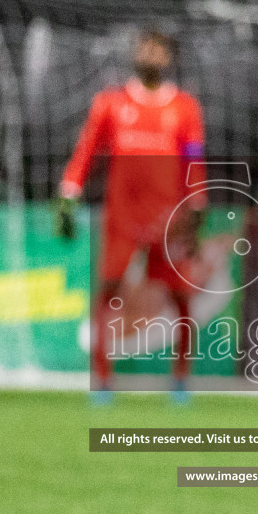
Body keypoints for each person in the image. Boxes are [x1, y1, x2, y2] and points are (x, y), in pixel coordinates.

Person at [55, 30, 205, 404]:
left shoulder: (184, 107)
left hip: (168, 217)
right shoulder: (110, 103)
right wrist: (69, 192)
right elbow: (86, 150)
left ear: (169, 57)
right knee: (107, 292)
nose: (151, 53)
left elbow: (193, 161)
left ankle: (181, 380)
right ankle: (103, 380)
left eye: (159, 47)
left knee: (180, 296)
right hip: (122, 215)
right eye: (145, 46)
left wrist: (198, 204)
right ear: (135, 53)